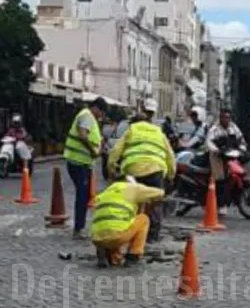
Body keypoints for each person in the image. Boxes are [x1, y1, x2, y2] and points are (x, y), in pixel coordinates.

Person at [107, 98, 176, 243]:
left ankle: (131, 230)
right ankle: (153, 234)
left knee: (132, 200)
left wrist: (111, 169)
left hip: (133, 171)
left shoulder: (131, 130)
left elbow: (115, 151)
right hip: (155, 170)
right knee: (155, 201)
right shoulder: (158, 132)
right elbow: (170, 155)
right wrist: (171, 175)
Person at [90, 176, 165, 268]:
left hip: (97, 238)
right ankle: (133, 256)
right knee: (144, 219)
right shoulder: (132, 188)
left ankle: (103, 255)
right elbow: (160, 193)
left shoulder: (105, 193)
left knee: (108, 222)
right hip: (117, 236)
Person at [63, 96, 107, 238]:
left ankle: (79, 227)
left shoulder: (89, 117)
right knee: (82, 195)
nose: (102, 115)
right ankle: (78, 229)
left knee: (85, 194)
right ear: (96, 108)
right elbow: (83, 135)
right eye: (102, 112)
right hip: (78, 161)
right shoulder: (87, 116)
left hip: (83, 162)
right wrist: (92, 151)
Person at [205, 108, 247, 212]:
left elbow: (241, 139)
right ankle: (220, 203)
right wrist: (216, 150)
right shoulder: (214, 129)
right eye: (223, 117)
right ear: (220, 118)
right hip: (217, 156)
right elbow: (209, 142)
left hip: (229, 155)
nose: (225, 119)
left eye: (227, 117)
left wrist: (242, 149)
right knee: (220, 177)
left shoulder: (233, 127)